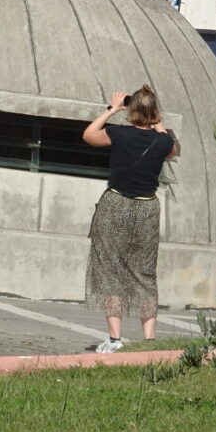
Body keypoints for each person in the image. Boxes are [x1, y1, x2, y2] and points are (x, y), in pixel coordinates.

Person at [82, 85, 178, 354]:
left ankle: (115, 340)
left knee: (110, 270)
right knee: (144, 273)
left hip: (115, 205)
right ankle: (149, 341)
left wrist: (112, 109)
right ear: (155, 111)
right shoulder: (164, 142)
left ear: (132, 109)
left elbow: (89, 135)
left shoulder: (119, 134)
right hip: (147, 208)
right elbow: (171, 149)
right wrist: (157, 121)